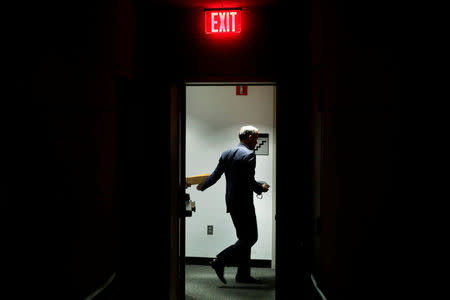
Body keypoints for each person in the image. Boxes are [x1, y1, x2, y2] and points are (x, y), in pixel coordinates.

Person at [196, 125, 270, 284]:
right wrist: (261, 188)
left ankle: (242, 275)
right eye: (256, 137)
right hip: (244, 202)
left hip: (231, 201)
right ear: (249, 137)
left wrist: (203, 186)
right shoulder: (249, 155)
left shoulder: (227, 153)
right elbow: (249, 182)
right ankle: (220, 260)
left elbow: (215, 175)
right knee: (251, 238)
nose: (257, 141)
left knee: (243, 238)